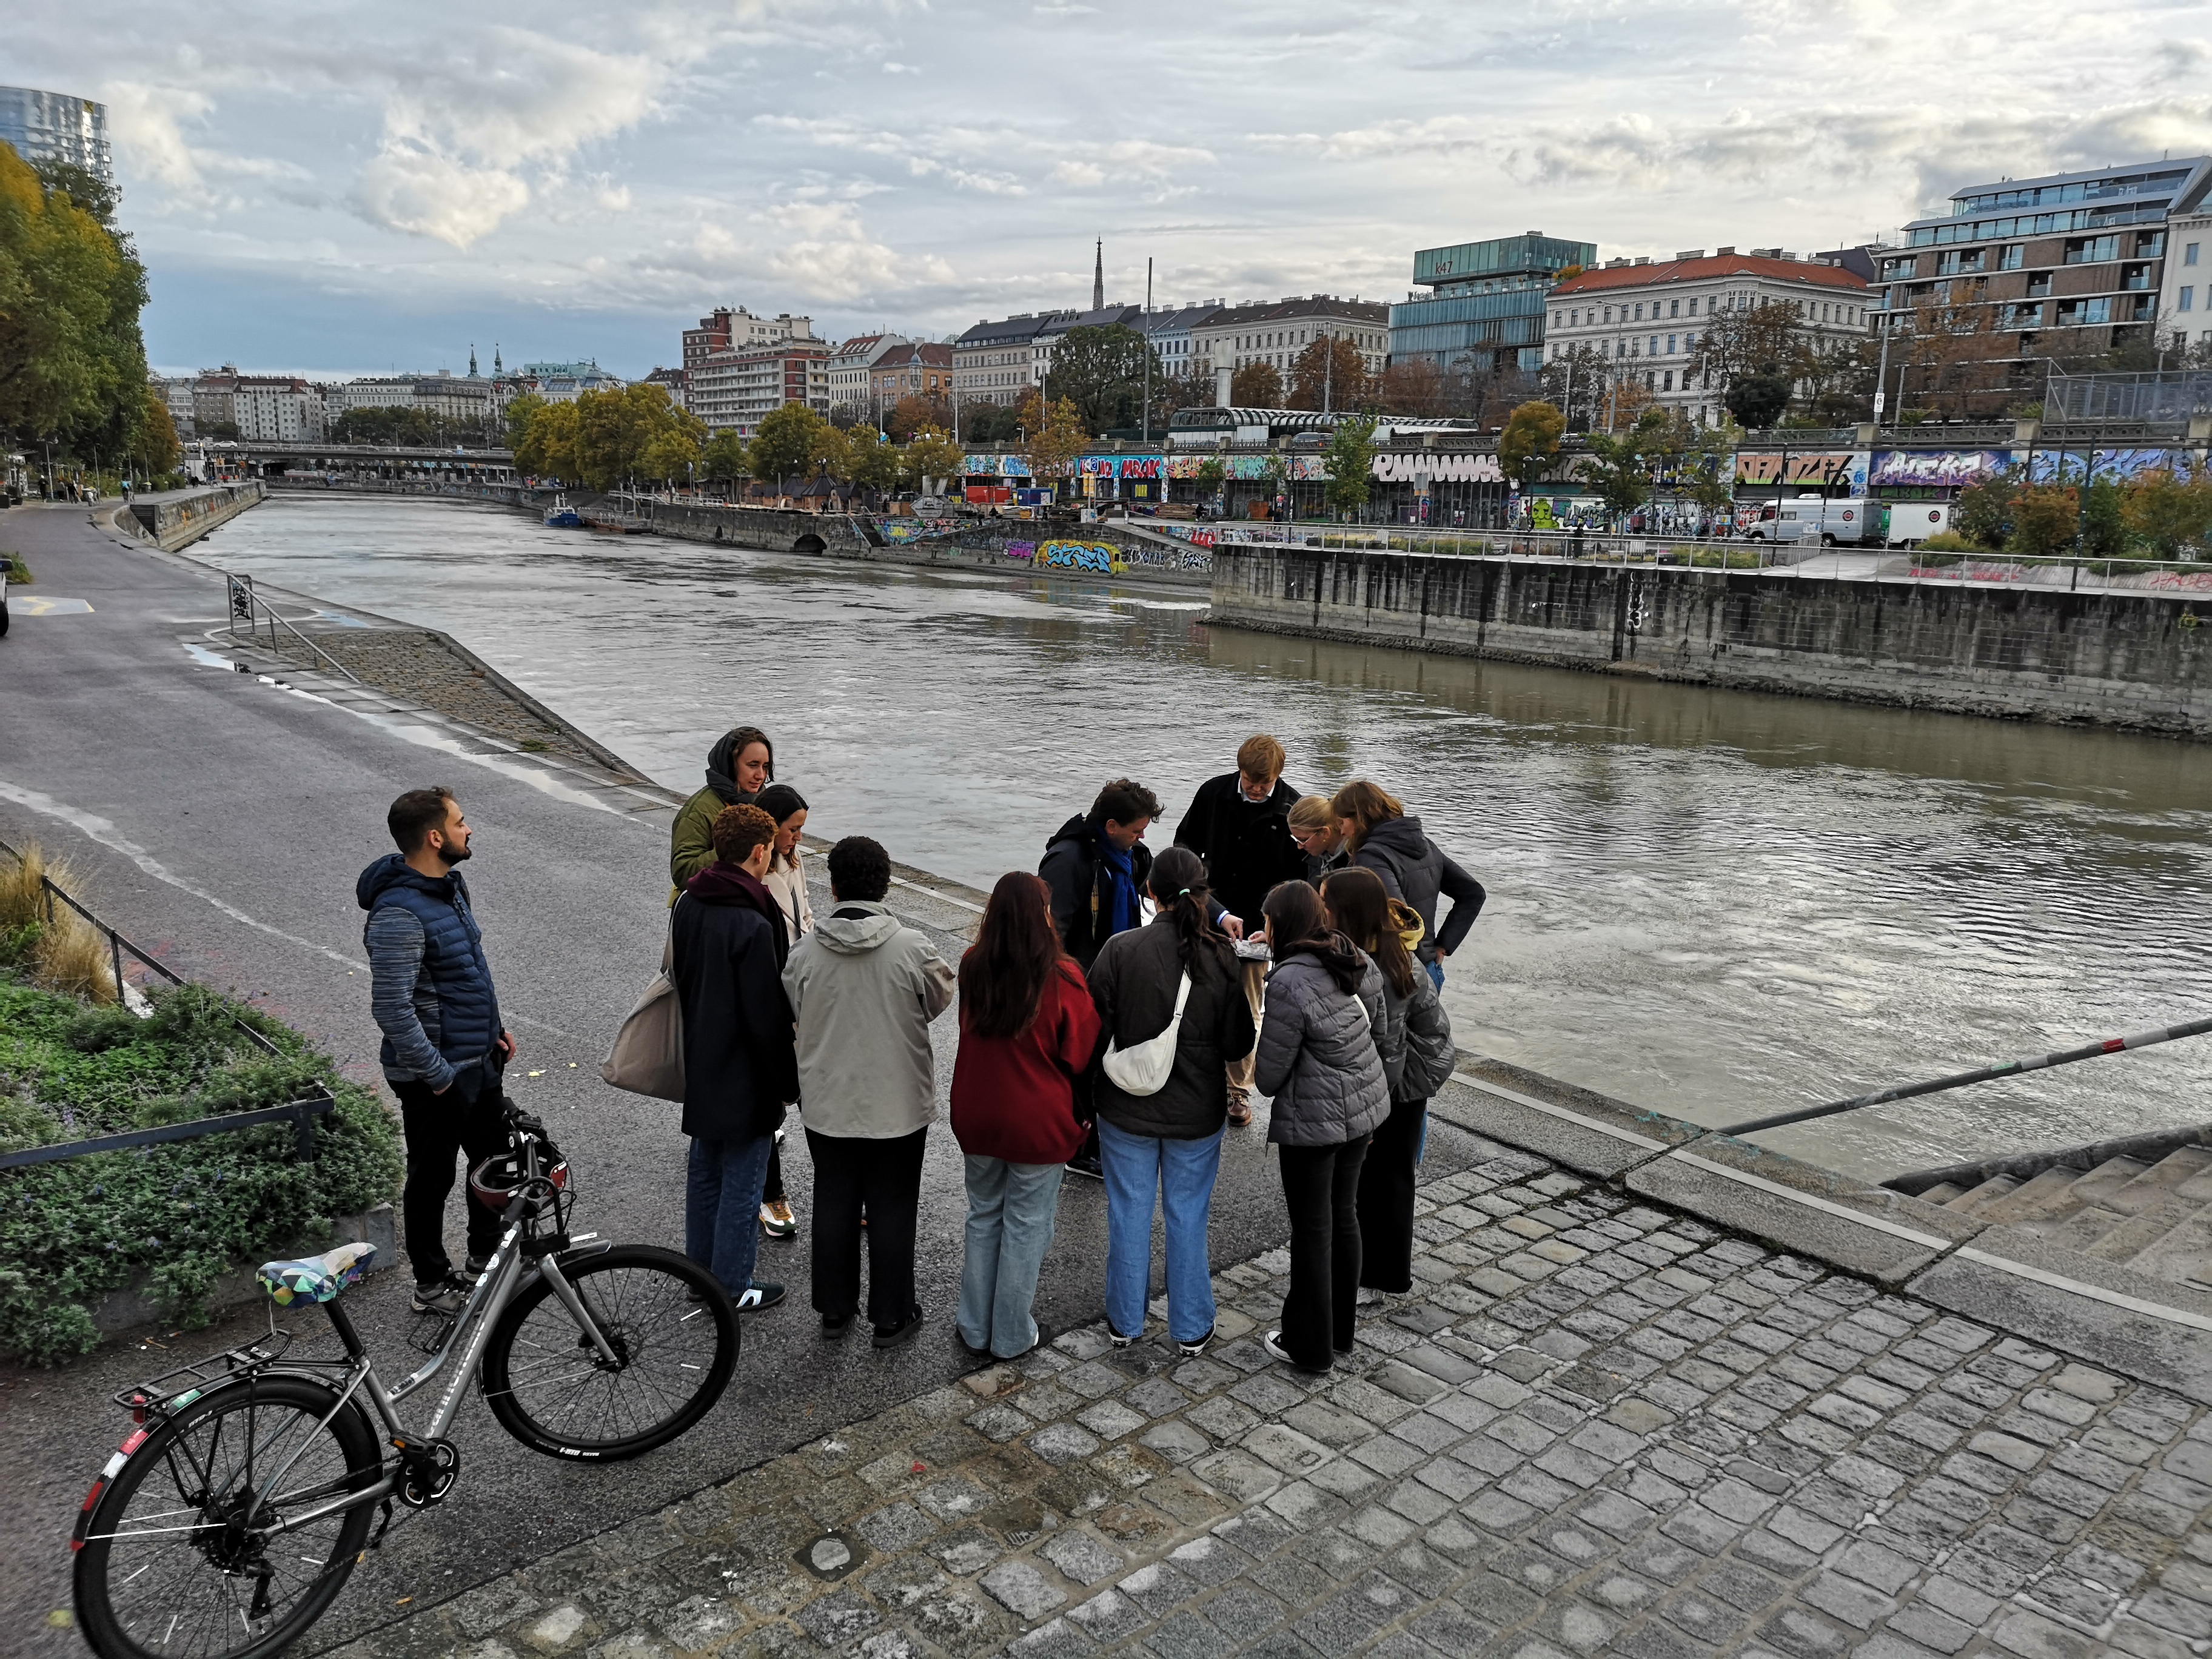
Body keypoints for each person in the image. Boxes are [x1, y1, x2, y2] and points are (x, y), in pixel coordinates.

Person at [783, 836, 956, 1347]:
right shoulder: (912, 948)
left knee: (833, 1201)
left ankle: (835, 1311)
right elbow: (937, 999)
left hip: (828, 1099)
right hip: (897, 1101)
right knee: (893, 1206)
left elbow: (794, 1004)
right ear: (886, 885)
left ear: (832, 885)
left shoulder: (806, 951)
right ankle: (891, 1315)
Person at [1086, 847, 1256, 1356]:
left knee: (1129, 1212)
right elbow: (1238, 1045)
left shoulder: (1120, 949)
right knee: (1187, 1215)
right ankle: (1190, 1324)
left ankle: (1124, 1321)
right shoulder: (1224, 956)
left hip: (1125, 1106)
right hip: (1197, 1110)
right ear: (1204, 895)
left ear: (1149, 892)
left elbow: (1093, 1032)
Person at [359, 787, 516, 1317]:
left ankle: (484, 1262)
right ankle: (431, 1284)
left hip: (477, 1057)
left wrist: (496, 1028)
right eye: (460, 822)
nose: (468, 830)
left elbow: (468, 967)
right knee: (432, 1179)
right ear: (434, 837)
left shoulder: (450, 887)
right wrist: (439, 1075)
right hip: (436, 1074)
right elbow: (392, 1008)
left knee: (492, 1166)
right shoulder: (398, 914)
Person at [948, 873, 1101, 1360]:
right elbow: (1079, 1053)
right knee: (1027, 1223)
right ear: (1043, 915)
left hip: (977, 1112)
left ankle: (974, 1327)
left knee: (984, 1215)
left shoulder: (974, 965)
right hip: (1037, 1119)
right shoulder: (1061, 976)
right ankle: (1012, 1333)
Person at [1253, 879, 1389, 1374]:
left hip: (1314, 1123)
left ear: (1282, 924)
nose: (1263, 931)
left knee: (1313, 1230)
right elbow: (1378, 1029)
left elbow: (1268, 1077)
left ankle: (1308, 1346)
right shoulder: (1353, 957)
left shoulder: (1288, 982)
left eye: (1267, 921)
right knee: (1344, 1215)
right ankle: (1340, 1333)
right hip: (1365, 1110)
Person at [670, 803, 797, 1310]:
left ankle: (697, 1272)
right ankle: (732, 1284)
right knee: (744, 1182)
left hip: (703, 1052)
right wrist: (787, 1081)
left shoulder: (691, 903)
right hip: (745, 1068)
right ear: (760, 851)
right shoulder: (753, 919)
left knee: (705, 1170)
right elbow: (765, 1013)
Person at [1320, 868, 1455, 1296]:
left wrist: (1373, 1118)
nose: (1319, 908)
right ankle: (1383, 1272)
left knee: (1385, 1177)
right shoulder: (1382, 946)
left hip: (1409, 1076)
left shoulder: (1384, 966)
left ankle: (1380, 1278)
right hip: (1412, 1064)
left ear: (1346, 912)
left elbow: (1390, 1055)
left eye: (1325, 902)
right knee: (1386, 1176)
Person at [1173, 736, 1306, 1128]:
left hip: (1257, 932)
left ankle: (1238, 1090)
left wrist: (1275, 926)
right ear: (1240, 771)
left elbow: (1300, 881)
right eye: (1251, 781)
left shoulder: (1292, 809)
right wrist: (1212, 909)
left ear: (1278, 776)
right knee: (1194, 999)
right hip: (1210, 916)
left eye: (1265, 783)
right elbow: (1183, 851)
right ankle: (1193, 1077)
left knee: (1248, 1008)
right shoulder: (1212, 793)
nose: (1257, 789)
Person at [1040, 778, 1161, 1176]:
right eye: (1136, 829)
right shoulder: (1067, 860)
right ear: (1111, 826)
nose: (1142, 837)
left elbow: (1161, 889)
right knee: (1083, 1066)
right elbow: (1051, 931)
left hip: (1116, 977)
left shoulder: (1131, 855)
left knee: (1106, 1061)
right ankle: (1079, 1145)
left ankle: (1099, 1136)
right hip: (1080, 983)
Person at [1329, 780, 1485, 990]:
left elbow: (1397, 919)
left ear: (1359, 818)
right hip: (1430, 969)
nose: (1341, 832)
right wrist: (1443, 945)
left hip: (1397, 977)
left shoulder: (1371, 855)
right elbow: (1473, 893)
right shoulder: (1426, 845)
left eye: (1342, 823)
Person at [752, 782, 812, 1242]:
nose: (798, 839)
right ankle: (771, 1193)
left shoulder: (794, 862)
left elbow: (805, 916)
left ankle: (843, 1191)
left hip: (799, 986)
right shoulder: (753, 874)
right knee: (769, 1093)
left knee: (812, 1086)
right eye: (792, 830)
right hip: (768, 992)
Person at [671, 725, 774, 893]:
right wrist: (735, 848)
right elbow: (683, 873)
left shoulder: (763, 803)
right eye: (753, 765)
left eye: (765, 767)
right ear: (730, 764)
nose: (761, 775)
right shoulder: (698, 811)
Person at [1286, 795, 1349, 886]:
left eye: (1303, 840)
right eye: (1295, 839)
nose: (1299, 847)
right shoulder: (1317, 857)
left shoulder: (1356, 863)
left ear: (1325, 833)